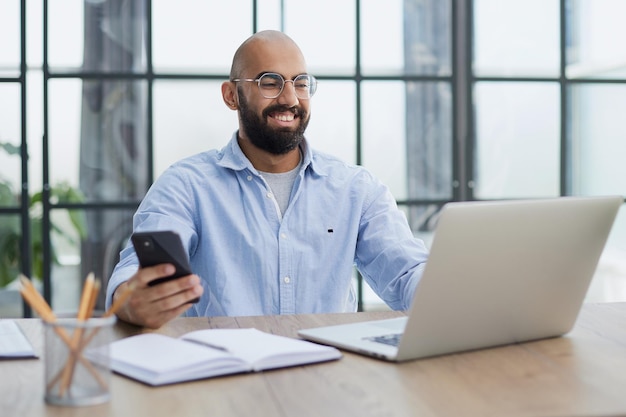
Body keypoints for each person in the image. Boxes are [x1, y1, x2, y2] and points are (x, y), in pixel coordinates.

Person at [105, 30, 429, 328]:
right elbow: (134, 275)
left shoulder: (357, 190)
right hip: (224, 376)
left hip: (329, 377)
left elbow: (407, 273)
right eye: (270, 82)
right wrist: (133, 301)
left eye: (300, 83)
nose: (290, 99)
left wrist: (451, 293)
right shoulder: (186, 186)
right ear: (231, 95)